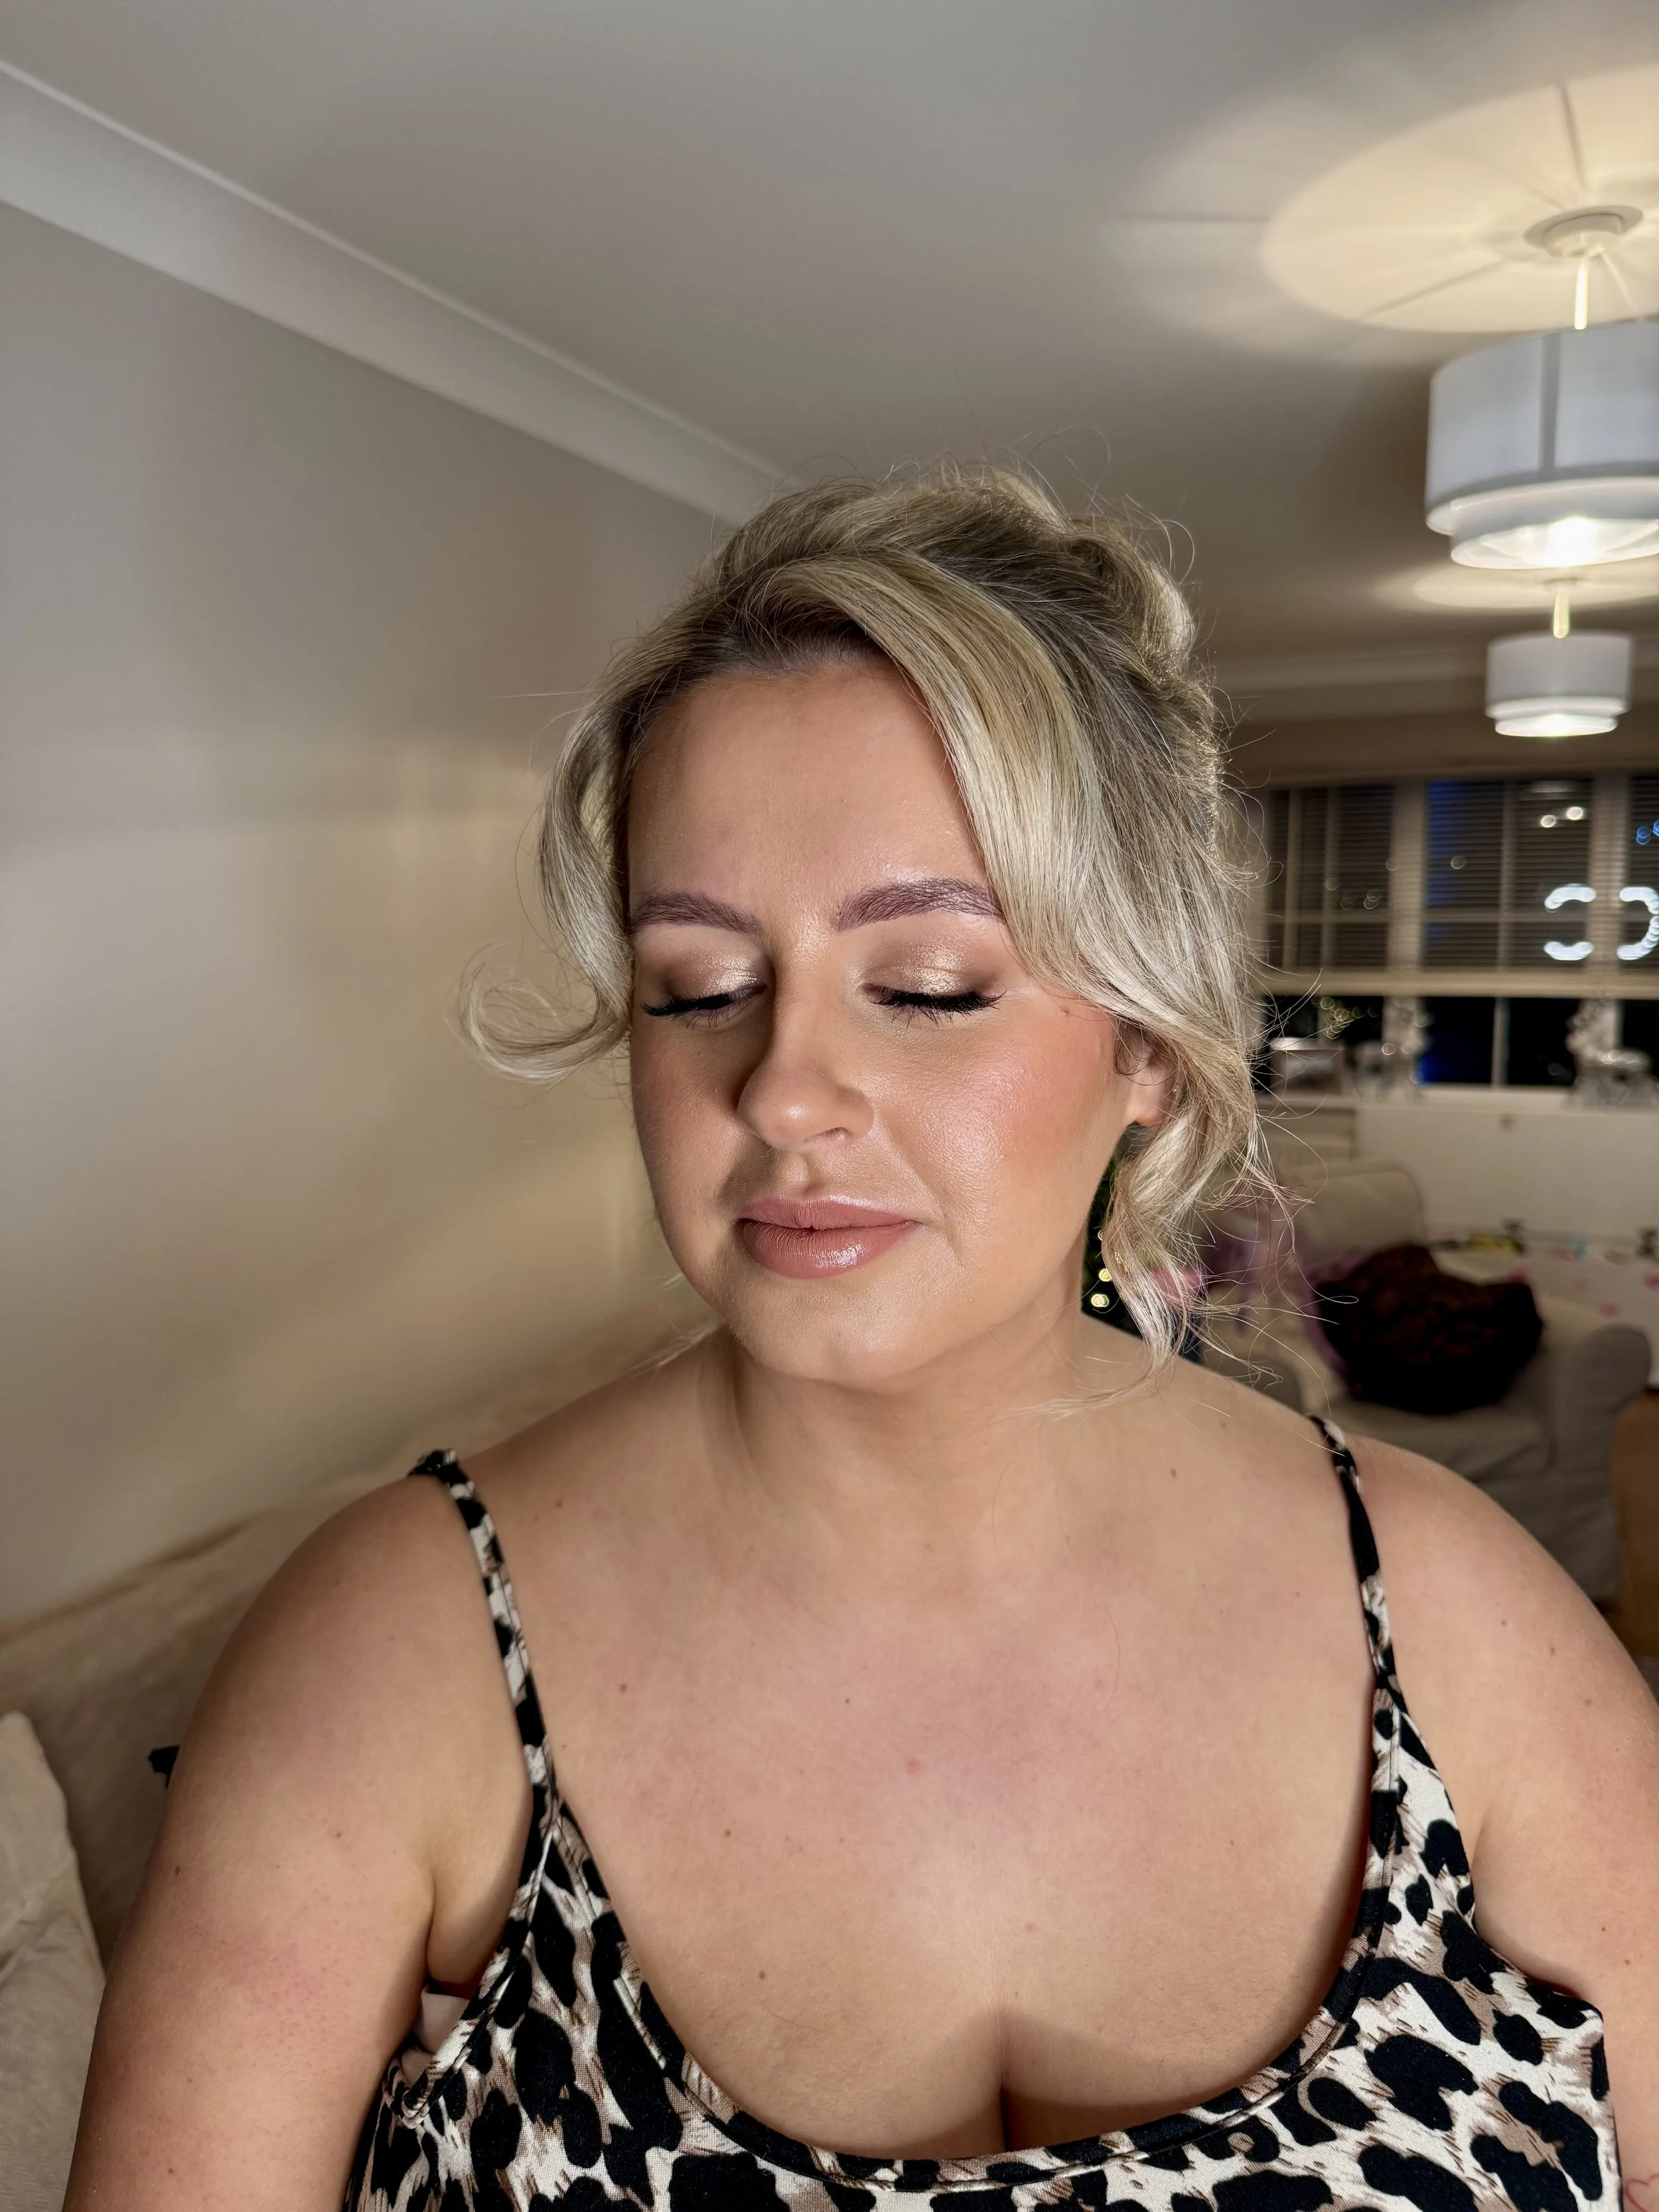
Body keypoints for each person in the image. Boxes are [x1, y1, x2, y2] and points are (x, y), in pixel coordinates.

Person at [69, 471, 1657, 2209]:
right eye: (697, 985)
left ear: (1144, 1044)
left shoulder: (1456, 1632)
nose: (779, 1088)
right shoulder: (386, 1656)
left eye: (925, 981)